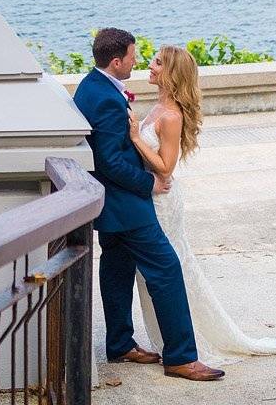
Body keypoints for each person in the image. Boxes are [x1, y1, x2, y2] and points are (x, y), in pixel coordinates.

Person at [129, 45, 276, 361]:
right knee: (152, 273)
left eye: (157, 63)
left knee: (168, 269)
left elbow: (166, 167)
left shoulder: (171, 116)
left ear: (171, 73)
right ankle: (168, 338)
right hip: (151, 196)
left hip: (163, 201)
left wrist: (135, 137)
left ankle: (185, 340)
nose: (150, 65)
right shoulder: (159, 106)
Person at [74, 27, 224, 382]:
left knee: (116, 269)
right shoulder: (107, 98)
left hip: (111, 202)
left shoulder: (90, 86)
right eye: (133, 55)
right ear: (116, 61)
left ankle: (120, 344)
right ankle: (181, 357)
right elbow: (110, 160)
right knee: (167, 269)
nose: (139, 62)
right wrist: (149, 183)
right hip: (128, 204)